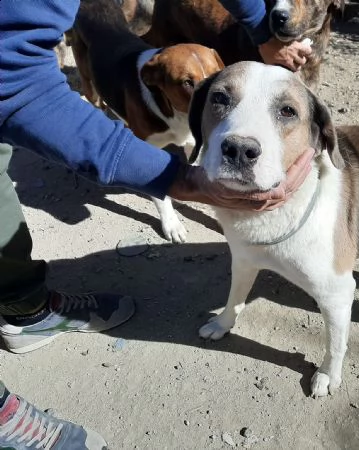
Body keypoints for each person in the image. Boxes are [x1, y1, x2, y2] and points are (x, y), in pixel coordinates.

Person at [0, 1, 314, 448]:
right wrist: (178, 183)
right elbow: (15, 81)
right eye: (190, 87)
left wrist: (261, 27)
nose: (208, 103)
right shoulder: (145, 96)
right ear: (155, 80)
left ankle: (21, 308)